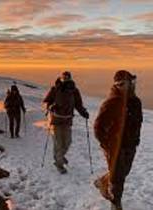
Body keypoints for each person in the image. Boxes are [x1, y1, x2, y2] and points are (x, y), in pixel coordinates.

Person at [93, 70, 143, 210]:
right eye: (120, 84)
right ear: (116, 85)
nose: (124, 86)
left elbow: (138, 122)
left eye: (127, 83)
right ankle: (116, 203)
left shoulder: (135, 102)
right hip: (115, 147)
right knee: (117, 178)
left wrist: (136, 139)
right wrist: (108, 145)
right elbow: (98, 127)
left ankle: (102, 181)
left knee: (123, 172)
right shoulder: (112, 102)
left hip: (130, 145)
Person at [43, 71, 89, 174]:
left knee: (67, 142)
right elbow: (46, 101)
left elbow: (78, 105)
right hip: (55, 120)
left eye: (67, 78)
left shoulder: (74, 91)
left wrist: (83, 113)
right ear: (61, 78)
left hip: (67, 120)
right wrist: (50, 107)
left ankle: (60, 157)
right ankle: (59, 164)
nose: (66, 80)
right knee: (59, 143)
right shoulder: (55, 89)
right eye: (64, 78)